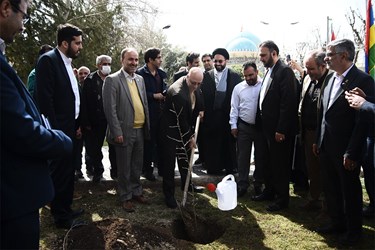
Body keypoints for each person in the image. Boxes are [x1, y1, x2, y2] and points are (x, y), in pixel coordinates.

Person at [0, 0, 72, 248]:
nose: (22, 27)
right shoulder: (48, 61)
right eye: (24, 16)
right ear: (5, 8)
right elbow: (19, 129)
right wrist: (60, 138)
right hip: (12, 199)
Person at [314, 39, 374, 246]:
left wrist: (352, 152)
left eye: (330, 54)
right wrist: (318, 140)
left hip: (347, 149)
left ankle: (354, 231)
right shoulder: (330, 78)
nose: (326, 58)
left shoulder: (363, 80)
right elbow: (323, 112)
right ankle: (337, 222)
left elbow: (363, 121)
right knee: (331, 188)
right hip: (326, 146)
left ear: (343, 56)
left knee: (350, 191)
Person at [34, 23, 85, 229]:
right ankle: (60, 216)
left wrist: (77, 124)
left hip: (71, 127)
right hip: (59, 129)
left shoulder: (66, 62)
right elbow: (45, 100)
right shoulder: (48, 60)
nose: (80, 47)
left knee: (69, 170)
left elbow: (72, 95)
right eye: (77, 43)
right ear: (65, 43)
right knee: (60, 172)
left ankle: (66, 207)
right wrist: (55, 131)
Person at [251, 40, 298, 212]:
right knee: (268, 163)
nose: (261, 58)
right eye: (260, 55)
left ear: (274, 53)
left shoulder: (284, 71)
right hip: (266, 128)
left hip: (279, 130)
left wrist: (281, 129)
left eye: (263, 55)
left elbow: (288, 103)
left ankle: (281, 199)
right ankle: (269, 191)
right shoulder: (270, 71)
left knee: (280, 165)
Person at [102, 48, 150, 212]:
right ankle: (125, 196)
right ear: (122, 60)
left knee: (137, 165)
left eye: (136, 60)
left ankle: (136, 191)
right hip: (123, 132)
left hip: (140, 130)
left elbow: (144, 104)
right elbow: (110, 109)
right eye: (130, 59)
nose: (134, 63)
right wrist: (117, 132)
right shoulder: (112, 80)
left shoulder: (140, 79)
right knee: (124, 167)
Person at [159, 67, 205, 208]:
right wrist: (190, 138)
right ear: (187, 77)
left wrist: (201, 109)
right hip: (171, 131)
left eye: (199, 83)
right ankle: (169, 196)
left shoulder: (194, 83)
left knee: (185, 160)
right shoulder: (178, 93)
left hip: (183, 127)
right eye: (194, 83)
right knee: (169, 164)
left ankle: (188, 185)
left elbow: (199, 95)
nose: (196, 86)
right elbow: (181, 121)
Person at [200, 48, 242, 175]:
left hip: (228, 116)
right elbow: (201, 95)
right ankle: (213, 167)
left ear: (226, 61)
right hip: (211, 117)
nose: (218, 63)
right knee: (213, 143)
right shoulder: (206, 76)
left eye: (220, 61)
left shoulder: (234, 76)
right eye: (215, 61)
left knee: (228, 143)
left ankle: (230, 167)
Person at [298, 50, 330, 211]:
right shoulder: (307, 80)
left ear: (323, 66)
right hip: (307, 132)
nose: (307, 72)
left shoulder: (331, 81)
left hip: (324, 135)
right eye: (306, 68)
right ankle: (314, 197)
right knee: (312, 168)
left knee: (326, 171)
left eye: (311, 69)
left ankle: (328, 205)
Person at [81, 55, 117, 182]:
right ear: (98, 65)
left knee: (114, 146)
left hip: (112, 119)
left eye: (109, 63)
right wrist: (86, 122)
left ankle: (115, 171)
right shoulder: (90, 80)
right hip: (95, 120)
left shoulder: (113, 79)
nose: (107, 66)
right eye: (104, 63)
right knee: (95, 148)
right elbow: (84, 103)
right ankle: (98, 171)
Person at [230, 61, 264, 197]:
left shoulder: (264, 85)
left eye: (251, 75)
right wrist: (233, 125)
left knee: (260, 157)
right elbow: (234, 107)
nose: (248, 78)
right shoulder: (238, 88)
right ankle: (242, 185)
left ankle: (258, 184)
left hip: (261, 128)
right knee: (242, 157)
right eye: (245, 76)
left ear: (257, 72)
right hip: (244, 126)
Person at [136, 47, 167, 181]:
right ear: (150, 59)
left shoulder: (161, 73)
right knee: (148, 143)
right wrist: (153, 95)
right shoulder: (140, 74)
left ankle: (161, 168)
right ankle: (147, 170)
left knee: (162, 142)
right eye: (159, 57)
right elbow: (138, 93)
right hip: (147, 114)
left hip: (161, 113)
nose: (161, 60)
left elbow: (164, 87)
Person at [73, 66, 90, 180]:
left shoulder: (92, 86)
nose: (83, 75)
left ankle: (90, 167)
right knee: (77, 148)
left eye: (86, 73)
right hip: (77, 123)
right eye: (81, 73)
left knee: (90, 148)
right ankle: (77, 169)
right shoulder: (75, 87)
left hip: (89, 123)